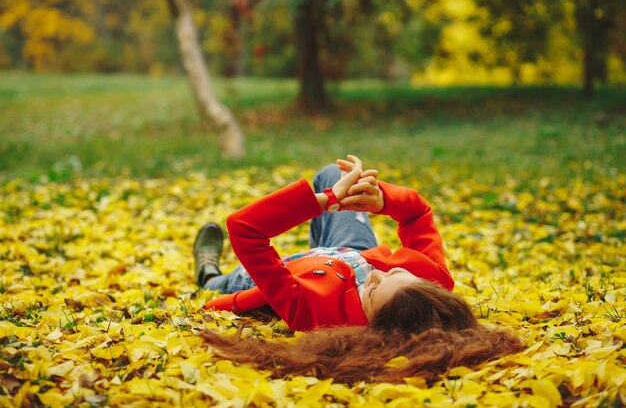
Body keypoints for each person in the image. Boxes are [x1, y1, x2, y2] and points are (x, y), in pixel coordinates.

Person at [194, 155, 523, 383]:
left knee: (225, 281)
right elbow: (418, 214)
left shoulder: (316, 316)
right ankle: (344, 196)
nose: (377, 274)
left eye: (374, 291)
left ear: (372, 328)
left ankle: (208, 272)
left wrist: (324, 201)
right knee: (336, 174)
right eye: (395, 274)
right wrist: (381, 200)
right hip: (351, 251)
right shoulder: (428, 283)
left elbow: (244, 228)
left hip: (286, 274)